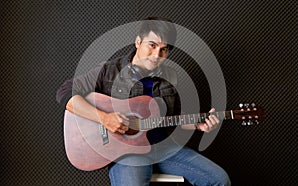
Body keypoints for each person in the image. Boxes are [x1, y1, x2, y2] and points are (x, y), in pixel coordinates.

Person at [56, 17, 230, 186]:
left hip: (163, 149)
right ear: (138, 41)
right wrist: (104, 118)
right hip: (128, 154)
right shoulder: (109, 70)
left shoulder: (170, 76)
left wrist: (198, 125)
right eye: (152, 45)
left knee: (219, 179)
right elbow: (65, 93)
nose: (157, 55)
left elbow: (174, 117)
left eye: (164, 49)